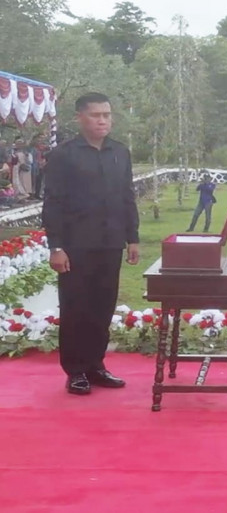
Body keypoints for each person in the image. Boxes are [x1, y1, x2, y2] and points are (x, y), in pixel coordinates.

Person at [42, 92, 140, 396]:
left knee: (102, 306)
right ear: (79, 118)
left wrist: (132, 237)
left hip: (110, 243)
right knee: (76, 308)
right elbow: (53, 203)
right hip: (75, 246)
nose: (103, 120)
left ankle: (96, 365)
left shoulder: (119, 153)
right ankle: (75, 371)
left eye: (107, 115)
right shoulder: (64, 155)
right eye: (96, 115)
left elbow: (127, 197)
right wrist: (56, 246)